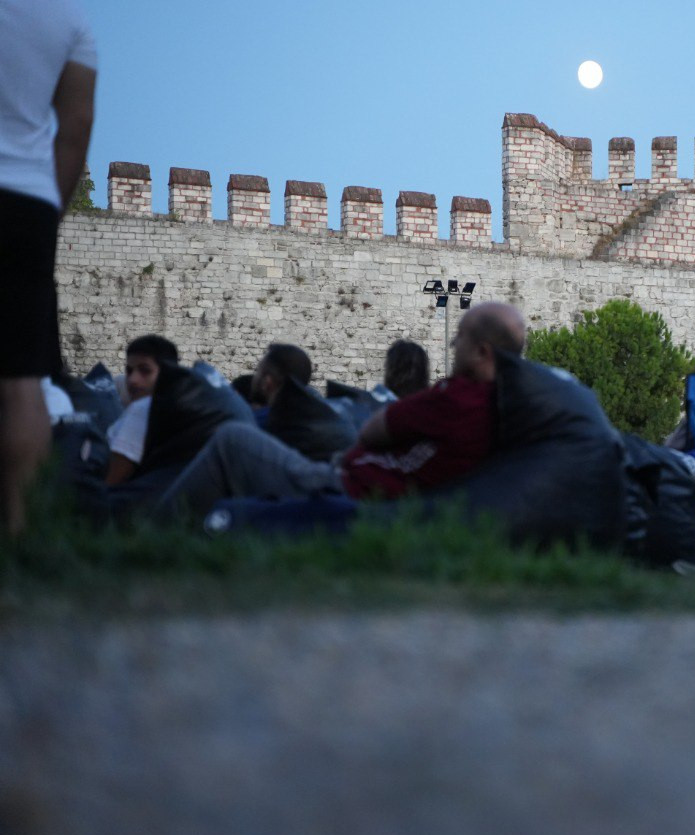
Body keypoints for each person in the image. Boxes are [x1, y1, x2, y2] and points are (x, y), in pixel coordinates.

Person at [155, 302, 526, 519]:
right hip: (362, 486)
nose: (453, 344)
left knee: (233, 439)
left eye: (459, 337)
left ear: (482, 352)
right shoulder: (504, 401)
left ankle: (149, 530)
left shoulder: (459, 397)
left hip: (349, 490)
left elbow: (374, 429)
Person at [0, 0, 96, 535]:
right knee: (22, 382)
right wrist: (51, 208)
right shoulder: (69, 21)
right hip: (27, 203)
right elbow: (76, 125)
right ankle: (21, 532)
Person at [105, 334, 178, 486]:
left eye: (145, 371)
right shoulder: (173, 407)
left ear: (167, 373)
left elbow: (110, 481)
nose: (132, 379)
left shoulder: (143, 409)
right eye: (129, 371)